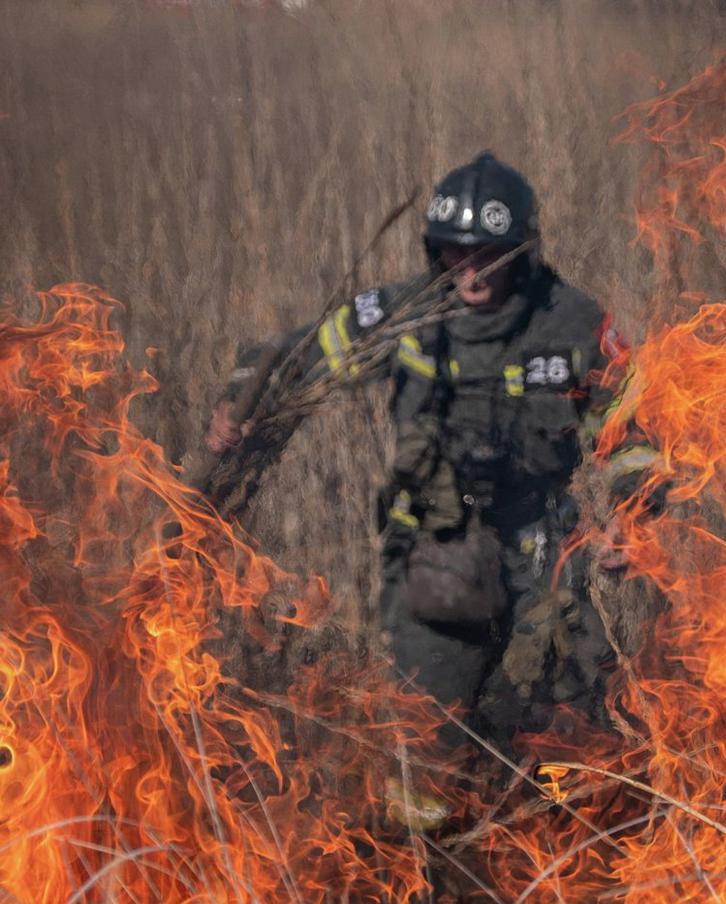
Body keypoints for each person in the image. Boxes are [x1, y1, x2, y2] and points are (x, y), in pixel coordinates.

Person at [206, 152, 647, 759]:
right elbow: (292, 354)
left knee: (569, 730)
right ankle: (425, 847)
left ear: (525, 248)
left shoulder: (574, 323)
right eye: (454, 251)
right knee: (427, 737)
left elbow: (630, 428)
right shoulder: (404, 313)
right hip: (435, 551)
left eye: (489, 253)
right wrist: (238, 405)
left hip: (543, 551)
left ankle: (553, 837)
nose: (470, 271)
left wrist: (637, 512)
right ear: (433, 249)